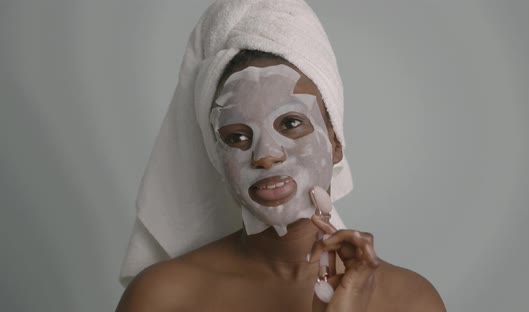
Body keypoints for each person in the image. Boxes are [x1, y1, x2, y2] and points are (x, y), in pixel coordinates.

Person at [116, 1, 445, 311]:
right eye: (237, 136)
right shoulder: (163, 298)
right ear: (217, 157)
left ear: (335, 142)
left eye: (290, 123)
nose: (265, 155)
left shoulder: (409, 301)